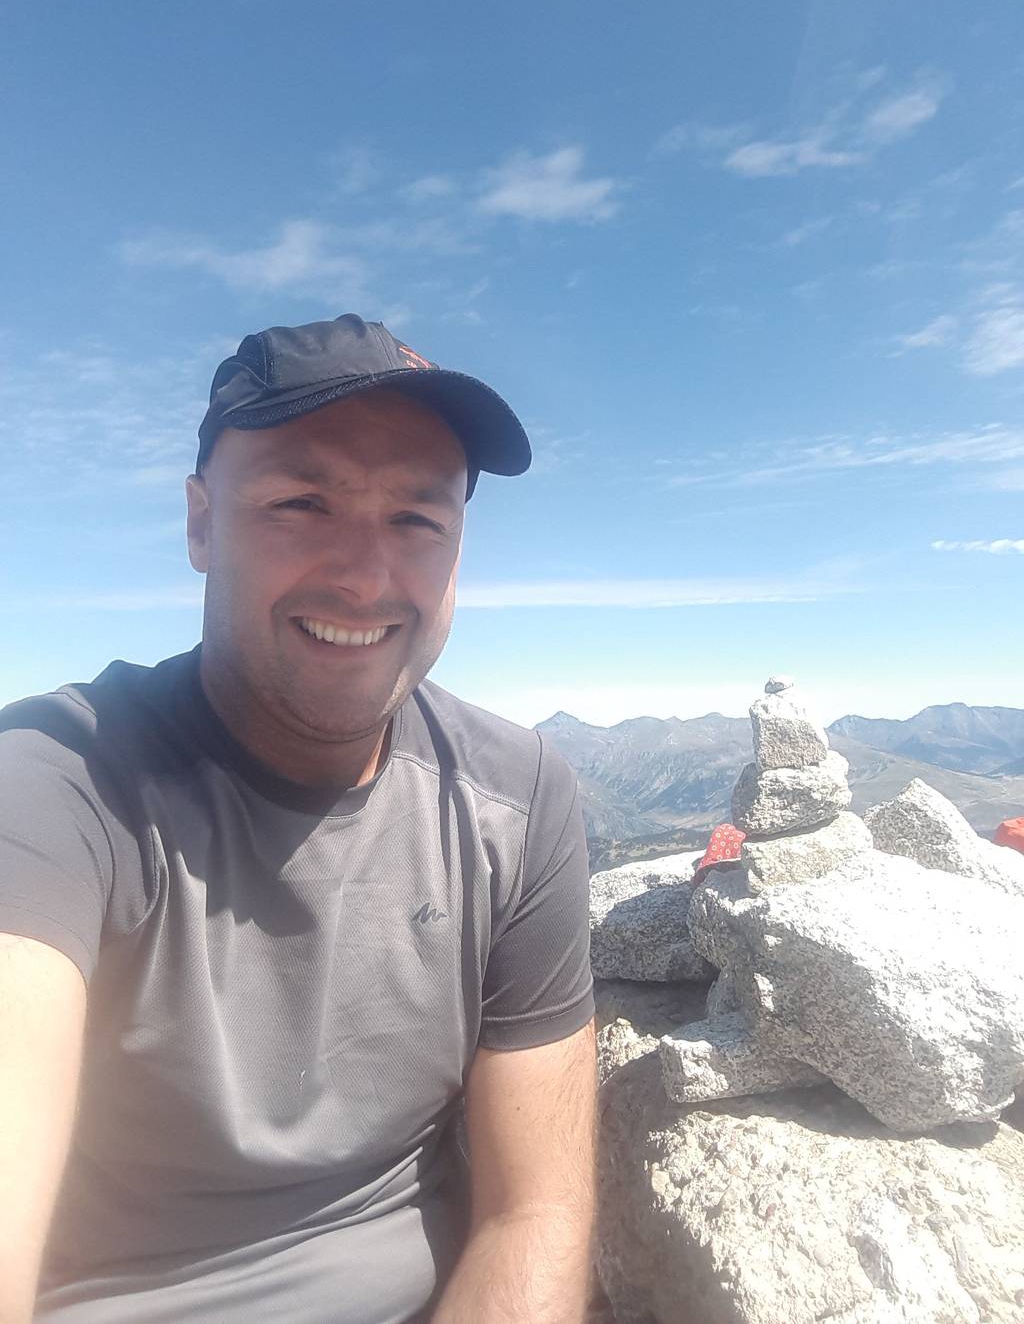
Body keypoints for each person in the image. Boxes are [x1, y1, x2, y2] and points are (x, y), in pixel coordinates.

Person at [0, 314, 596, 1324]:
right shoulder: (58, 786)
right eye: (301, 502)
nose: (364, 578)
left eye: (418, 519)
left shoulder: (517, 797)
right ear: (200, 525)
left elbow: (533, 1210)